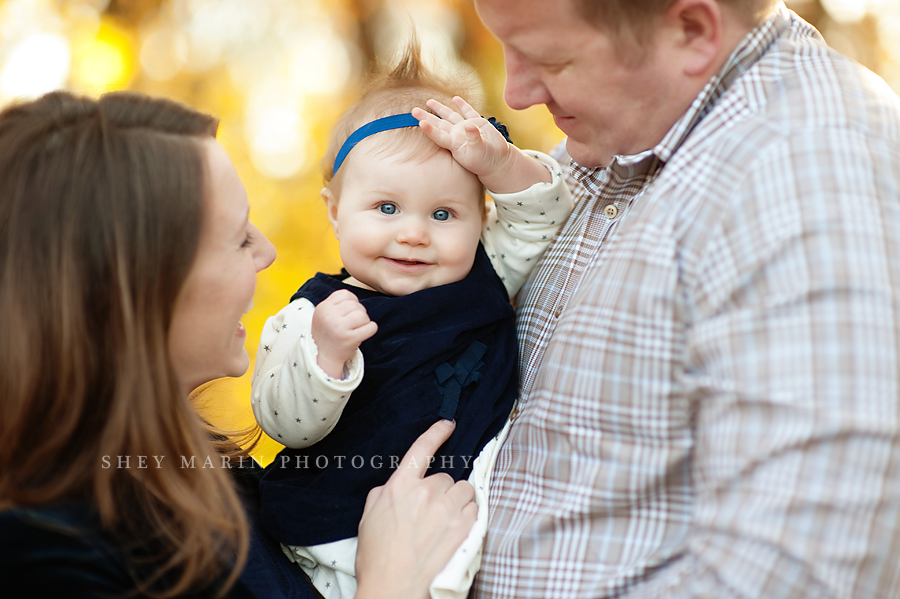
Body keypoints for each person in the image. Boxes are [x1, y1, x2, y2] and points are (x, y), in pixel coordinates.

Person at [468, 0, 900, 598]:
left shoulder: (808, 170)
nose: (515, 92)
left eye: (552, 59)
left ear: (692, 30)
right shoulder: (615, 143)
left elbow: (804, 570)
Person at [0, 89, 479, 599]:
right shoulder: (41, 556)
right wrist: (390, 584)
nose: (268, 252)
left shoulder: (208, 473)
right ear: (139, 285)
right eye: (238, 238)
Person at [250, 43, 573, 599]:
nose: (414, 233)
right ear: (334, 209)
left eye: (443, 214)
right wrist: (325, 359)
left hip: (456, 530)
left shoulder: (483, 274)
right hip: (329, 539)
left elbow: (539, 217)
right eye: (387, 208)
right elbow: (283, 422)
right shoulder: (311, 316)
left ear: (479, 219)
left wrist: (502, 165)